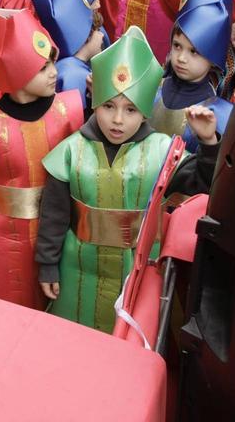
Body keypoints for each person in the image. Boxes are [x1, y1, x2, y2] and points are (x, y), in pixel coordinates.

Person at [36, 27, 196, 331]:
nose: (118, 120)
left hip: (137, 272)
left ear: (145, 113)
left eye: (130, 109)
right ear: (95, 102)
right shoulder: (71, 150)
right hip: (76, 270)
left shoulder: (162, 152)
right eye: (109, 106)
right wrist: (47, 266)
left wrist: (210, 143)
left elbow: (201, 182)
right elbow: (54, 215)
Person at [0, 9, 84, 309]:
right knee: (6, 307)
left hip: (58, 235)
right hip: (3, 237)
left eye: (52, 62)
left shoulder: (69, 112)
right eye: (42, 68)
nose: (54, 72)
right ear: (16, 72)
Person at [149, 0, 235, 151]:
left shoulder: (216, 113)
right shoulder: (152, 87)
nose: (181, 58)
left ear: (213, 57)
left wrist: (210, 141)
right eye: (177, 46)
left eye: (194, 51)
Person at [33, 0, 105, 108]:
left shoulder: (65, 65)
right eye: (97, 30)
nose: (102, 35)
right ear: (85, 36)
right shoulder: (75, 76)